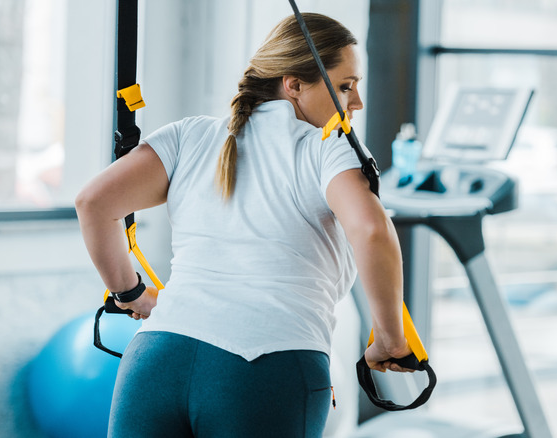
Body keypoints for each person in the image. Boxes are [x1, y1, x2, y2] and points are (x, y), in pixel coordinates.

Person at [75, 12, 412, 438]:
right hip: (268, 365)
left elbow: (93, 203)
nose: (355, 103)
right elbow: (371, 231)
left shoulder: (190, 135)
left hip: (156, 360)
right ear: (293, 84)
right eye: (345, 86)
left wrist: (131, 293)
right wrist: (389, 340)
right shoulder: (326, 148)